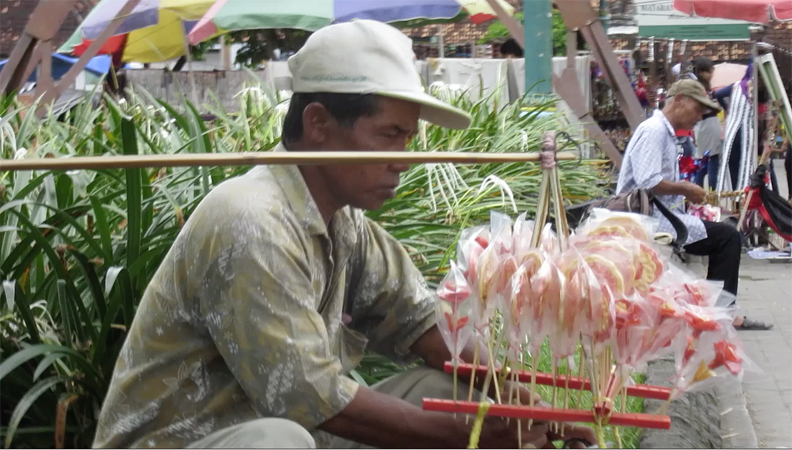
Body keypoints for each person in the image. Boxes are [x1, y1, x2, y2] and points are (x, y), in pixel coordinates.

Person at [92, 20, 596, 449]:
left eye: (408, 139)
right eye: (389, 136)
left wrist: (517, 397)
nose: (404, 160)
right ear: (318, 124)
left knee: (455, 392)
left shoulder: (343, 221)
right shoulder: (252, 221)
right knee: (280, 441)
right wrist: (471, 434)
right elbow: (312, 397)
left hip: (281, 428)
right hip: (187, 438)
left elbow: (423, 325)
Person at [616, 79, 772, 331]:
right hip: (649, 219)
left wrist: (685, 195)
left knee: (727, 234)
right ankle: (720, 313)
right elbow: (648, 181)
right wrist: (685, 188)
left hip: (662, 215)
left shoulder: (663, 131)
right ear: (678, 100)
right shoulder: (654, 130)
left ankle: (716, 309)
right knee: (728, 237)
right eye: (697, 109)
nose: (699, 117)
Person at [688, 57, 723, 190]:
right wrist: (715, 104)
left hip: (705, 125)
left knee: (704, 161)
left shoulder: (703, 87)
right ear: (702, 72)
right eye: (709, 72)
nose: (711, 75)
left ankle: (700, 190)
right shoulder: (700, 87)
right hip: (707, 124)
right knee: (711, 160)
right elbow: (706, 106)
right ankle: (711, 193)